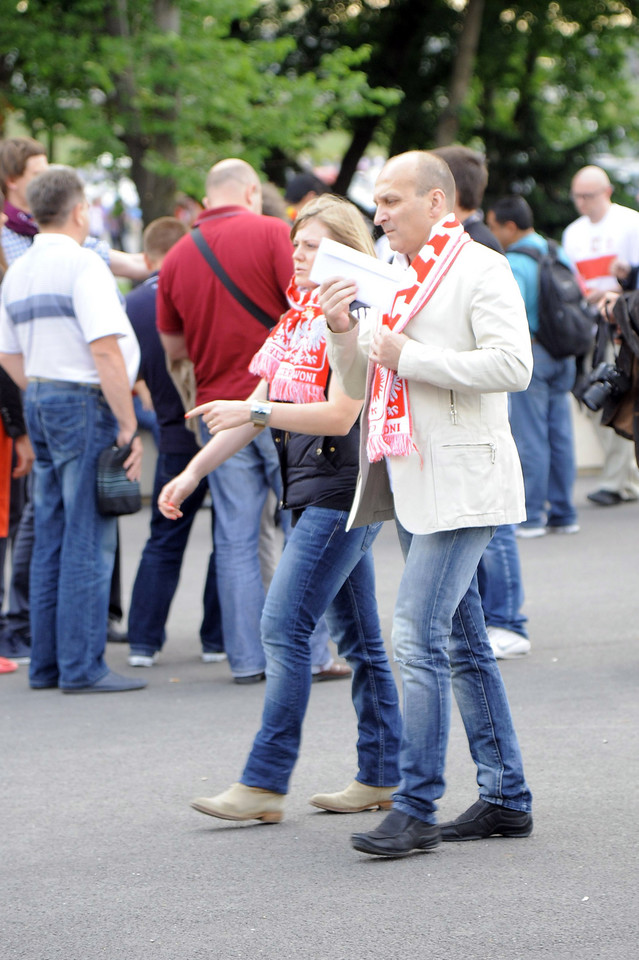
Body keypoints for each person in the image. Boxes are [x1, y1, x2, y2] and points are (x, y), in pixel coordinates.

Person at [158, 194, 402, 822]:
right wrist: (190, 474)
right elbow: (253, 409)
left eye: (313, 245)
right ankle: (381, 774)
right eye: (296, 243)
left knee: (283, 627)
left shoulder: (352, 318)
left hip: (341, 488)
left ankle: (264, 783)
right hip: (312, 488)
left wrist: (254, 412)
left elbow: (338, 414)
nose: (297, 253)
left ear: (347, 254)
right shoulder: (294, 320)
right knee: (360, 637)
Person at [320, 150, 533, 858]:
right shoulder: (397, 273)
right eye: (376, 203)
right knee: (461, 643)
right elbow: (360, 375)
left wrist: (405, 354)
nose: (377, 215)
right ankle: (505, 798)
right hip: (413, 479)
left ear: (437, 202)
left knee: (413, 633)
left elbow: (513, 366)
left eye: (389, 202)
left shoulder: (479, 267)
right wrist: (343, 331)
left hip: (462, 484)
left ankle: (414, 804)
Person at [0, 165, 145, 694]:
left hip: (38, 395)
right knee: (89, 533)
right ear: (80, 210)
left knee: (51, 534)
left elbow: (8, 354)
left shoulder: (18, 271)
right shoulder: (84, 266)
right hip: (83, 402)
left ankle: (47, 665)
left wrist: (40, 388)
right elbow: (105, 349)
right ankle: (83, 667)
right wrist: (127, 422)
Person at [156, 158, 297, 683]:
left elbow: (174, 349)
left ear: (208, 197)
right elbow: (303, 313)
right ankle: (315, 650)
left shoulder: (175, 257)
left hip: (216, 413)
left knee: (236, 538)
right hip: (283, 405)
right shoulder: (274, 233)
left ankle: (246, 659)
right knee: (299, 527)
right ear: (252, 191)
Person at [434, 147, 529, 659]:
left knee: (495, 524)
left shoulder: (478, 248)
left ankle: (511, 620)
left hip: (479, 411)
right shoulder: (473, 240)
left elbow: (510, 360)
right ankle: (496, 621)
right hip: (464, 408)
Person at [124, 216, 225, 668]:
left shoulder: (130, 306)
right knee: (229, 534)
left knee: (163, 538)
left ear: (145, 257)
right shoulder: (200, 290)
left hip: (169, 431)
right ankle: (216, 638)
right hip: (218, 425)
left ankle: (143, 641)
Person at [487, 195, 580, 539]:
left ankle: (532, 517)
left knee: (531, 436)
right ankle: (564, 512)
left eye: (495, 226)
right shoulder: (557, 251)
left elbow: (510, 313)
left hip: (534, 353)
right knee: (561, 434)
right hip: (564, 353)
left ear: (510, 226)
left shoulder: (514, 261)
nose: (494, 233)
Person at [562, 165, 639, 507]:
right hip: (589, 328)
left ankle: (617, 481)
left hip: (621, 330)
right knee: (595, 400)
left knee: (614, 397)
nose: (581, 202)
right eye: (576, 196)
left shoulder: (630, 223)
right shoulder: (572, 233)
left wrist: (621, 286)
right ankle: (625, 479)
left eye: (587, 196)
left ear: (606, 192)